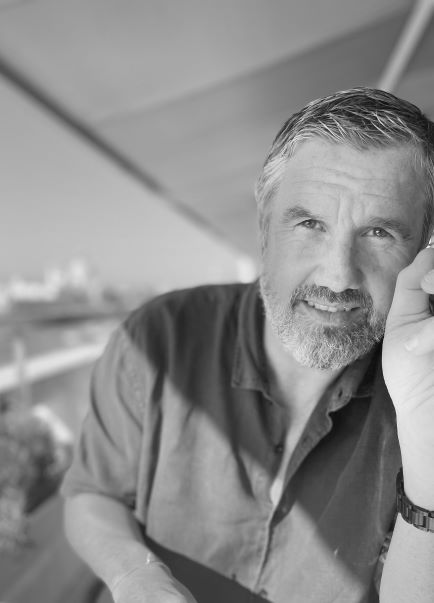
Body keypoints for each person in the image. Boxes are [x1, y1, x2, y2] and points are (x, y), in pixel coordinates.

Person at [61, 87, 434, 603]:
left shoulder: (422, 391)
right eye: (310, 224)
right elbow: (91, 493)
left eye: (379, 233)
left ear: (424, 251)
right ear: (263, 228)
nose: (338, 276)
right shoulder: (157, 339)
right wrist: (135, 578)